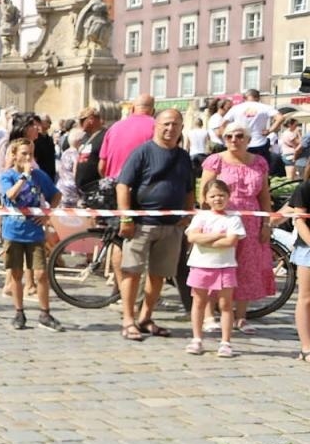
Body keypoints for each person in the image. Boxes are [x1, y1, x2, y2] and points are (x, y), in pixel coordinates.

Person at [115, 109, 194, 342]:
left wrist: (187, 214)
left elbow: (189, 188)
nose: (170, 129)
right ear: (156, 126)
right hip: (141, 224)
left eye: (175, 124)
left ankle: (146, 317)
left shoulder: (183, 157)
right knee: (132, 272)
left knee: (159, 274)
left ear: (181, 128)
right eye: (166, 124)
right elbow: (123, 185)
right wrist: (126, 217)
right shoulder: (142, 152)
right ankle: (128, 319)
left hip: (171, 226)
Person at [198, 122, 275, 329]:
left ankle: (241, 316)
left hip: (251, 221)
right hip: (221, 218)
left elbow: (264, 195)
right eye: (229, 136)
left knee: (247, 267)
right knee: (216, 264)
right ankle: (209, 316)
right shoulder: (215, 161)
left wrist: (266, 223)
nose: (234, 140)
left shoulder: (259, 162)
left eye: (239, 136)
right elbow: (204, 194)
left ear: (248, 139)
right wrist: (207, 220)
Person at [0, 139, 63, 331]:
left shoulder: (39, 176)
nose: (28, 158)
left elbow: (56, 195)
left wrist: (47, 214)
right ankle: (19, 312)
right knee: (16, 273)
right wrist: (24, 176)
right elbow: (10, 195)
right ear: (14, 155)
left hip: (34, 232)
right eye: (24, 153)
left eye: (30, 154)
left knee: (41, 273)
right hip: (13, 231)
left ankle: (45, 313)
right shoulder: (7, 176)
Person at [185, 179, 245, 358]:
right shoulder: (200, 217)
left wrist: (206, 240)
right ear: (205, 198)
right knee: (199, 302)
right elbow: (192, 237)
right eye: (213, 196)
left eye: (221, 195)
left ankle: (226, 342)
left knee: (226, 304)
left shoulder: (234, 218)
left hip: (225, 266)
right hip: (200, 265)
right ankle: (197, 339)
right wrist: (217, 236)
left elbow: (231, 241)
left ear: (228, 196)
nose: (217, 199)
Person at [221, 88, 285, 176]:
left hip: (241, 143)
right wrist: (270, 130)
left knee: (239, 169)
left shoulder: (236, 108)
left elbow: (223, 124)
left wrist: (229, 138)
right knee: (261, 171)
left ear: (245, 98)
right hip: (259, 143)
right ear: (258, 98)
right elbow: (280, 118)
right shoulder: (265, 107)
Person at [99, 94, 156, 183]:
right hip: (144, 185)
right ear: (153, 111)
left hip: (114, 184)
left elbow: (102, 166)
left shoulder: (114, 128)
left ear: (132, 109)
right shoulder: (158, 127)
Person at [288, 179, 310, 362]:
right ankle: (306, 347)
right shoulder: (305, 188)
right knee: (306, 298)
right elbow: (299, 220)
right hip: (307, 248)